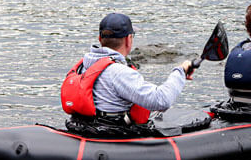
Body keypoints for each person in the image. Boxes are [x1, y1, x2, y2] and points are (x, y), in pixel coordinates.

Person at [61, 13, 194, 137]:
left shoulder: (84, 65)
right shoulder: (119, 72)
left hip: (87, 129)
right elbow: (161, 101)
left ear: (100, 39)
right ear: (128, 39)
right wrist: (180, 72)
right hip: (110, 137)